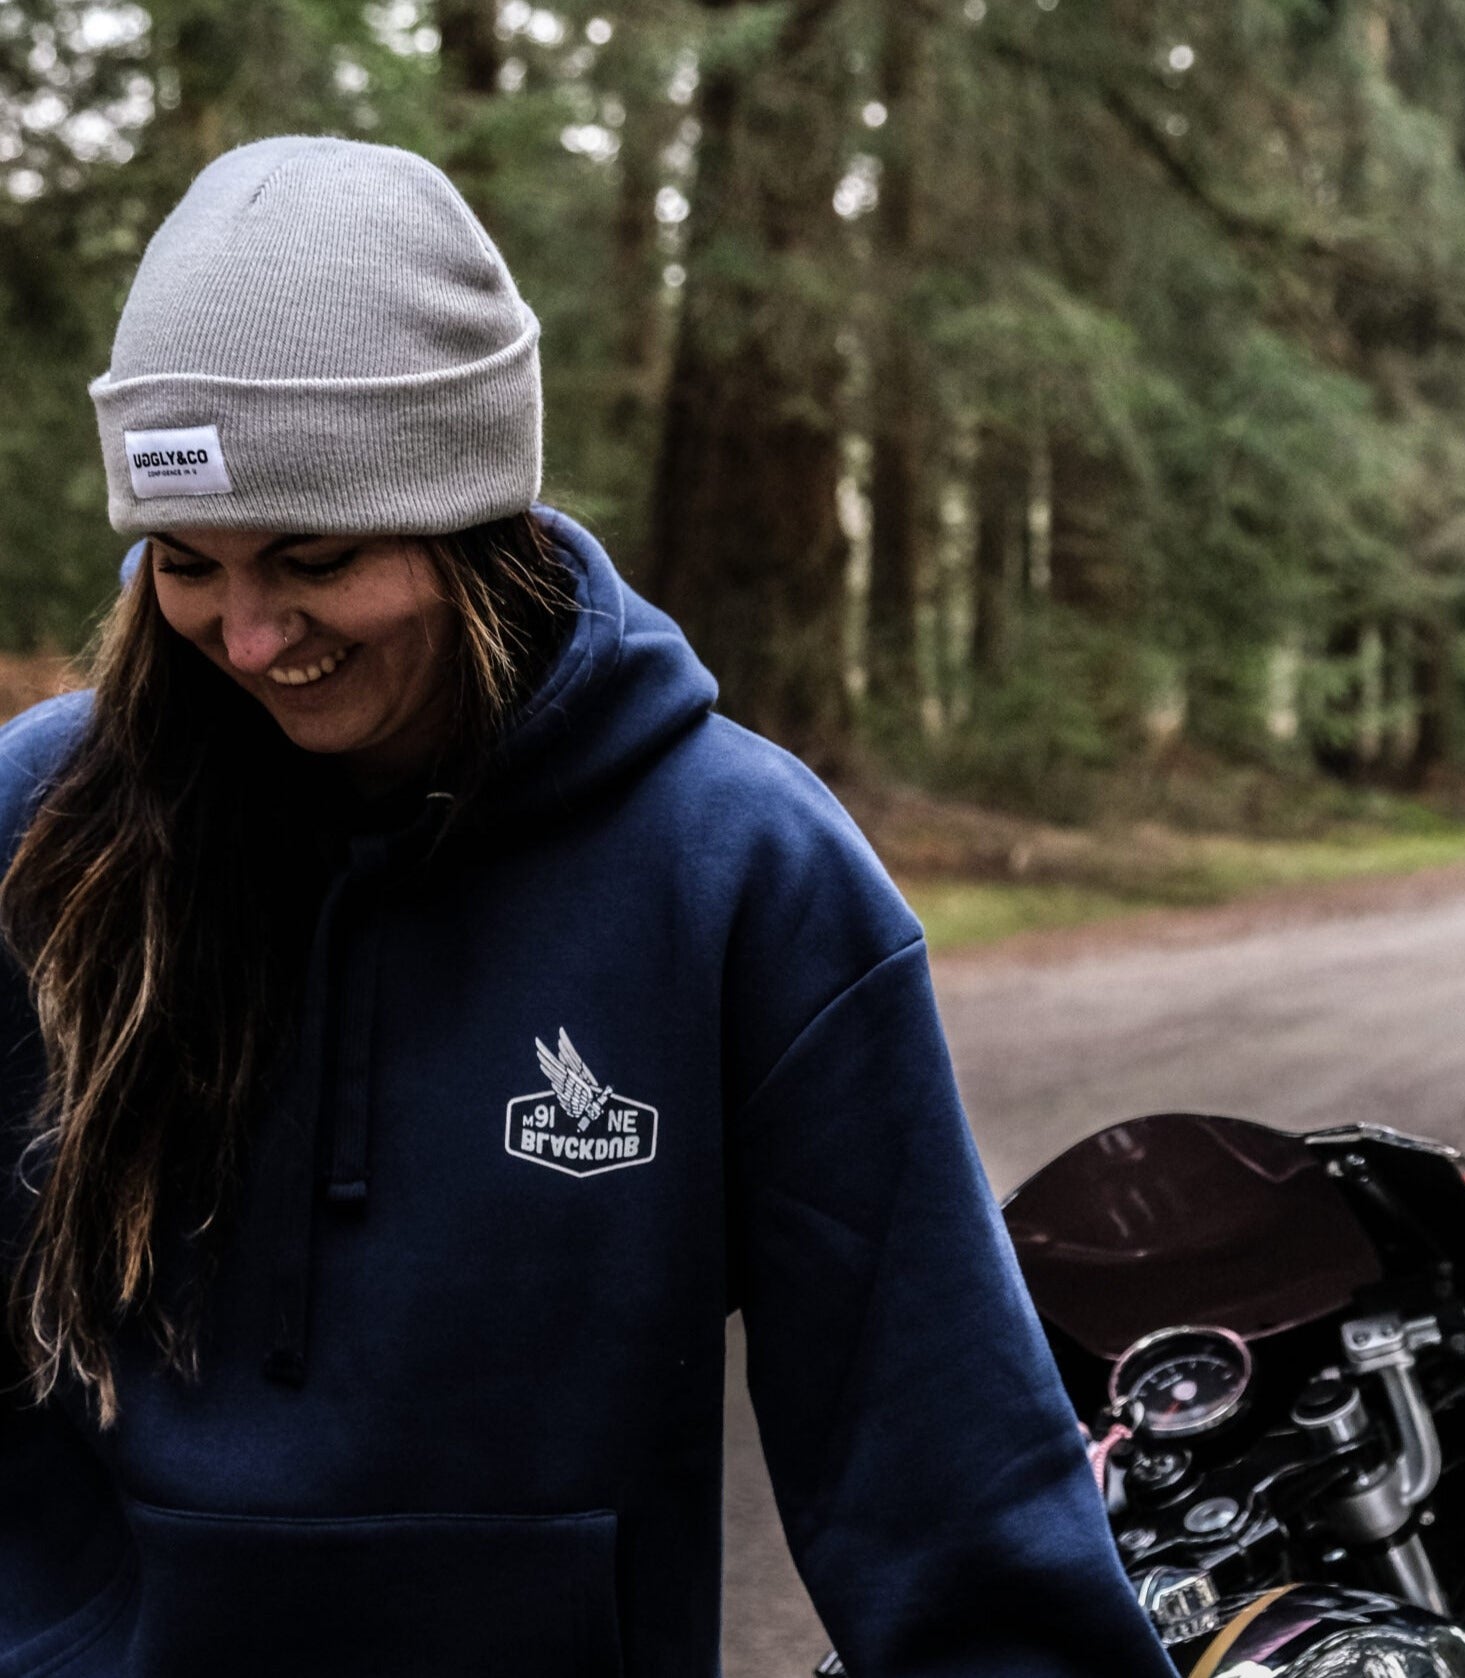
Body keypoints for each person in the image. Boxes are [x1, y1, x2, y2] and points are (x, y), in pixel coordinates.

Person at [0, 136, 1174, 1678]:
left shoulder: (738, 872)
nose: (248, 628)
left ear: (469, 510)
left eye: (314, 556)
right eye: (186, 563)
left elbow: (938, 1460)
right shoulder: (45, 833)